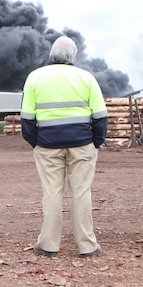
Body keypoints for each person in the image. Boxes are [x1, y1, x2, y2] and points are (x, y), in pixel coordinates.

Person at [20, 35, 108, 258]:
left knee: (51, 194)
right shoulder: (86, 77)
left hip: (48, 145)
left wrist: (36, 142)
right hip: (82, 144)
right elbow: (100, 117)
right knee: (81, 193)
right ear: (73, 56)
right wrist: (95, 142)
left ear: (52, 54)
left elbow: (27, 118)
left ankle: (49, 245)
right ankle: (87, 246)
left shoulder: (35, 77)